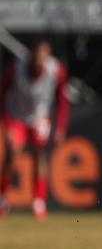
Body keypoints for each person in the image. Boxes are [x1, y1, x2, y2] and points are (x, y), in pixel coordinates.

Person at [0, 38, 70, 220]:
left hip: (39, 116)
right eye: (38, 55)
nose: (40, 59)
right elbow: (2, 93)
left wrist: (60, 127)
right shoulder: (16, 69)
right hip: (16, 115)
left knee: (39, 155)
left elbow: (63, 101)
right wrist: (3, 120)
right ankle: (2, 198)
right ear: (31, 55)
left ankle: (38, 202)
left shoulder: (56, 71)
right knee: (12, 153)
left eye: (44, 56)